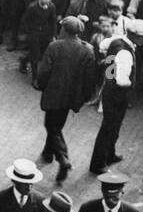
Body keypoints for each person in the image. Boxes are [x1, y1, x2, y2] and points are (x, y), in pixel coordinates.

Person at [35, 16, 98, 183]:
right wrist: (85, 97)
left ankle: (63, 158)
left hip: (54, 94)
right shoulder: (88, 50)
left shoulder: (55, 46)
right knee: (58, 124)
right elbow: (90, 78)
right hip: (71, 97)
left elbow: (44, 72)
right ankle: (48, 153)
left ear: (64, 30)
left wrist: (40, 85)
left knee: (51, 126)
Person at [89, 34, 134, 174]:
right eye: (142, 36)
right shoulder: (126, 51)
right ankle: (98, 163)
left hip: (109, 90)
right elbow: (122, 80)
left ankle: (109, 154)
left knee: (112, 126)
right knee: (109, 128)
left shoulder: (115, 43)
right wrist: (131, 83)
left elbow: (109, 65)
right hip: (118, 94)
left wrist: (109, 80)